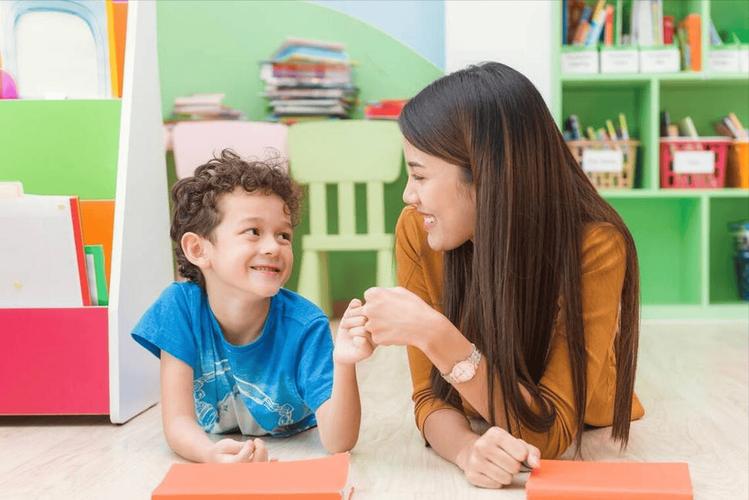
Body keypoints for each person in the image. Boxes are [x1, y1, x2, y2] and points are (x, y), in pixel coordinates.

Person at [359, 62, 644, 489]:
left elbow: (550, 433)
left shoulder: (596, 246)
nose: (408, 194)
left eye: (419, 174)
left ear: (485, 177)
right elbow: (429, 397)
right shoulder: (417, 230)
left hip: (586, 426)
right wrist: (464, 448)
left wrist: (435, 333)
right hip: (480, 416)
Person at [131, 149, 373, 463]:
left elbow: (339, 442)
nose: (273, 247)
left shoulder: (306, 324)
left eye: (283, 235)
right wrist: (208, 454)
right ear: (198, 249)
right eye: (253, 232)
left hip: (293, 439)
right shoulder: (179, 308)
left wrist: (344, 363)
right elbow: (178, 421)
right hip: (215, 438)